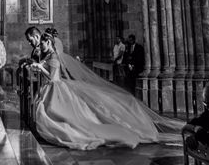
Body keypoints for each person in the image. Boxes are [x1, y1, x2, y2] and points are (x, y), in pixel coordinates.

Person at [29, 32, 182, 150]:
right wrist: (38, 66)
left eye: (42, 44)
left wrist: (40, 67)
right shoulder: (49, 54)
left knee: (71, 118)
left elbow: (53, 78)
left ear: (48, 42)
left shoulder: (54, 56)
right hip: (53, 88)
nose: (40, 47)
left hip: (56, 87)